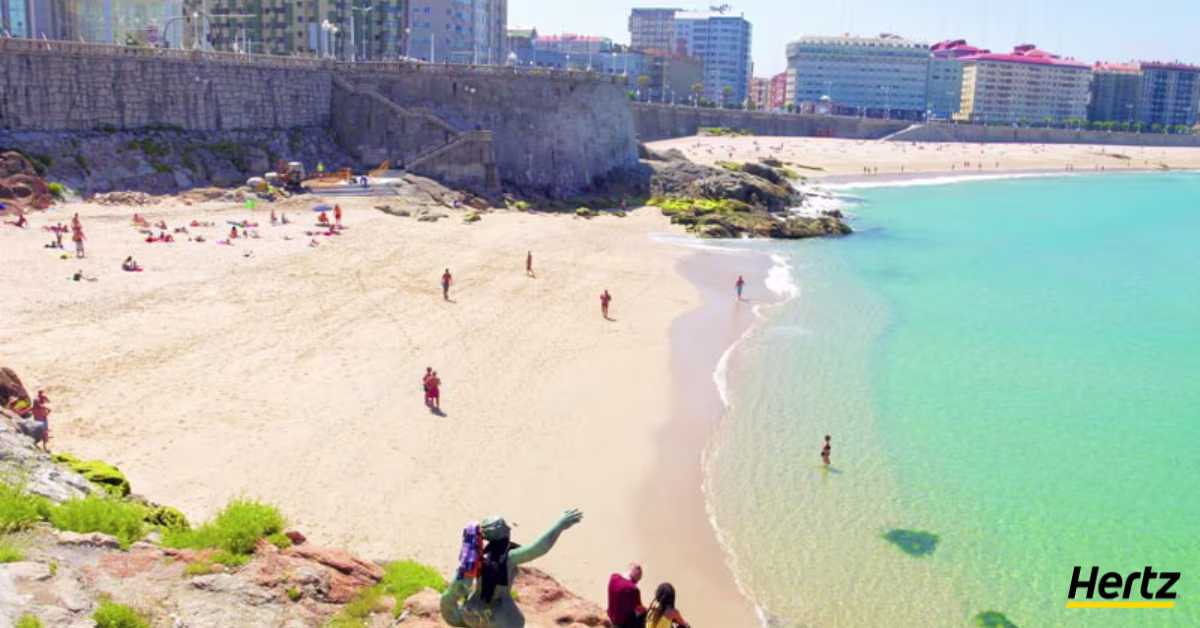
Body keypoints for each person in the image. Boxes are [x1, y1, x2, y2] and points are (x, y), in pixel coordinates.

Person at [607, 564, 646, 628]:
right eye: (638, 579)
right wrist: (648, 609)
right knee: (643, 614)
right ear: (636, 576)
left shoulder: (613, 577)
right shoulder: (633, 589)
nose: (637, 582)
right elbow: (639, 609)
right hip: (623, 624)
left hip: (612, 618)